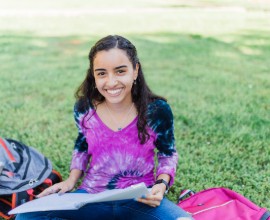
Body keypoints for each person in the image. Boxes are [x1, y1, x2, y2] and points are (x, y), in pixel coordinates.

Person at [16, 35, 193, 220]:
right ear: (94, 75)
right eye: (102, 73)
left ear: (135, 70)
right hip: (92, 196)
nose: (111, 82)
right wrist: (71, 181)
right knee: (27, 216)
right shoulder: (85, 109)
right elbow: (82, 145)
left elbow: (168, 153)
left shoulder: (157, 110)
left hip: (141, 199)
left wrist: (161, 184)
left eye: (120, 71)